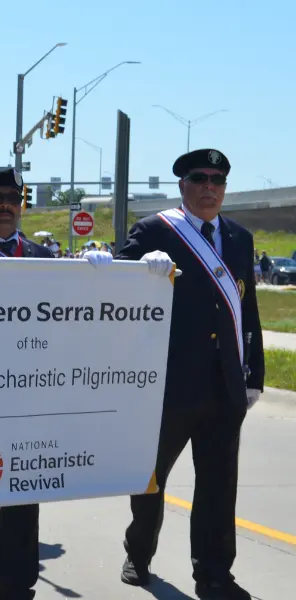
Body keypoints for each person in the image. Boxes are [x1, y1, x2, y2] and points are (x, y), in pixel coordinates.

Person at [0, 167, 111, 600]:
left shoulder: (42, 256)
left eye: (14, 196)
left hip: (27, 403)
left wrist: (97, 276)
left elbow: (71, 319)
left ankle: (16, 587)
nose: (7, 205)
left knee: (23, 504)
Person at [117, 149, 263, 600]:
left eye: (217, 180)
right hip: (169, 383)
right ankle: (138, 551)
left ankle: (215, 573)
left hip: (223, 384)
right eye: (200, 178)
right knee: (151, 477)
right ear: (183, 186)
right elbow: (115, 291)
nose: (209, 187)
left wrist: (253, 372)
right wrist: (138, 270)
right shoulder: (155, 231)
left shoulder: (239, 238)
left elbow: (247, 307)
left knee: (219, 485)